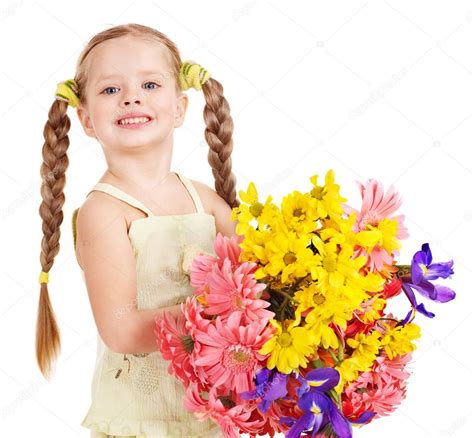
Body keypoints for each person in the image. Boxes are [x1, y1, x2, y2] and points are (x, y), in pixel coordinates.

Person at [36, 23, 240, 437]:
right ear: (87, 119)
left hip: (213, 415)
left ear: (180, 108)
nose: (131, 97)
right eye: (111, 90)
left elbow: (260, 271)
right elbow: (122, 329)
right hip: (145, 420)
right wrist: (228, 316)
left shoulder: (204, 200)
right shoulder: (104, 210)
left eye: (150, 83)